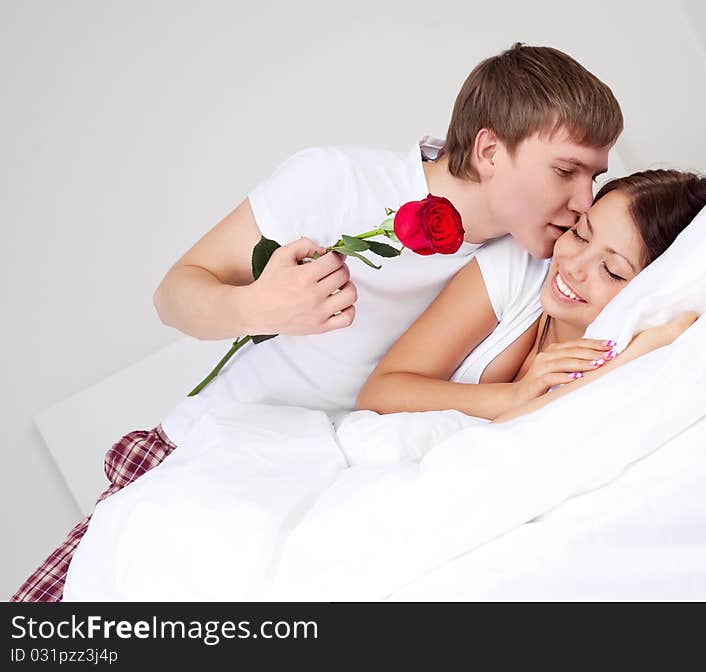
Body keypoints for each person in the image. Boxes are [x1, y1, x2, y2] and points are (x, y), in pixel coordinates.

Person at [13, 43, 622, 601]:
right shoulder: (337, 181)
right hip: (202, 456)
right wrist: (255, 306)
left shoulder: (527, 262)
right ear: (490, 150)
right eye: (566, 171)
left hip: (313, 499)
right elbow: (174, 293)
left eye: (593, 177)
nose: (583, 199)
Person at [356, 170, 706, 421]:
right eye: (580, 234)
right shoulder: (521, 268)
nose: (573, 265)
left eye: (611, 270)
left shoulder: (623, 346)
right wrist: (514, 396)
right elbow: (378, 394)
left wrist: (632, 357)